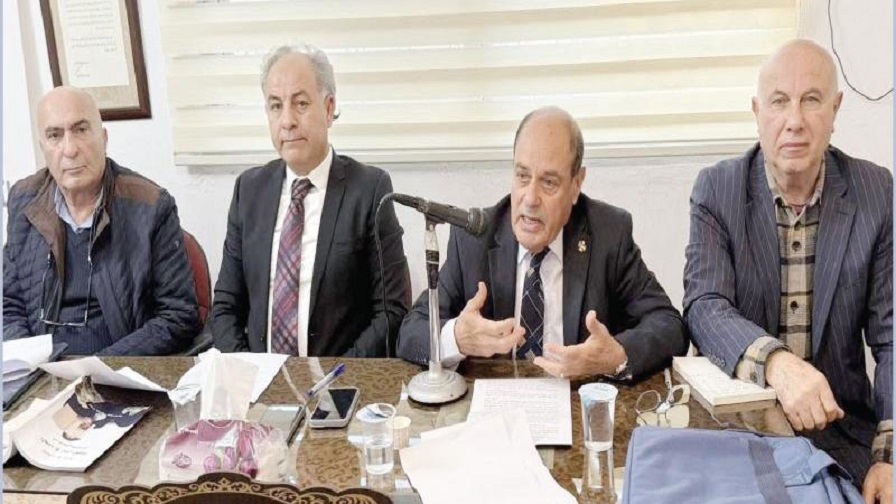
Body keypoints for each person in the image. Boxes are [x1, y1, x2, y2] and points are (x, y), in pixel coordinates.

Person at [683, 39, 892, 500]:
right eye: (779, 101)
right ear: (758, 112)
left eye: (811, 100)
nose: (794, 120)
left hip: (841, 437)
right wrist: (778, 365)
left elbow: (892, 336)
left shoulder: (875, 192)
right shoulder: (717, 189)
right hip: (737, 433)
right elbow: (705, 307)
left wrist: (889, 456)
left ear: (835, 110)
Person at [397, 106, 687, 380]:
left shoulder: (608, 234)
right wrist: (457, 338)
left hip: (576, 402)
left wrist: (617, 357)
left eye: (549, 182)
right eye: (523, 176)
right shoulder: (475, 238)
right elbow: (411, 332)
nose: (531, 198)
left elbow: (669, 324)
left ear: (576, 184)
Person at [211, 44, 411, 357]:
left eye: (300, 103)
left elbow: (391, 311)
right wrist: (247, 371)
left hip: (340, 376)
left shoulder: (370, 190)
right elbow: (225, 306)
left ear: (329, 108)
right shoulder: (248, 191)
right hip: (259, 377)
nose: (287, 121)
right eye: (275, 106)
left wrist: (335, 376)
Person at [3, 86, 200, 355]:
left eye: (81, 130)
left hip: (117, 367)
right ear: (43, 148)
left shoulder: (151, 207)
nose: (70, 149)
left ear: (103, 138)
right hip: (41, 369)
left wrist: (100, 366)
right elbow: (9, 305)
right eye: (55, 135)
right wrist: (28, 362)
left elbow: (178, 315)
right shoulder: (23, 201)